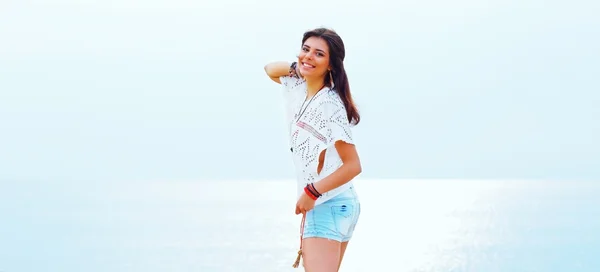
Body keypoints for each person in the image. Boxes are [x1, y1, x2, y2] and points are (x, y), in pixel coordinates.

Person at [264, 27, 363, 272]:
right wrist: (300, 67)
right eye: (305, 50)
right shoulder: (302, 90)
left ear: (331, 65)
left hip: (327, 203)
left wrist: (312, 193)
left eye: (319, 54)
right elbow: (269, 69)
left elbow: (353, 165)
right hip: (337, 202)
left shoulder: (328, 104)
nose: (308, 56)